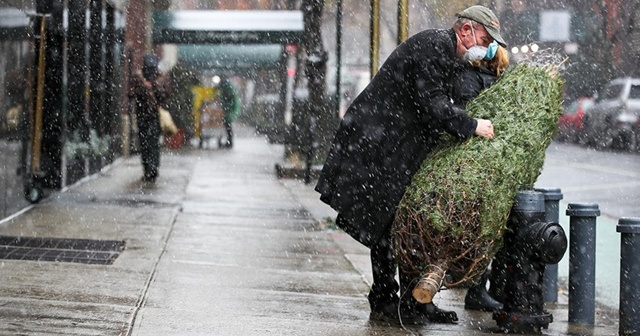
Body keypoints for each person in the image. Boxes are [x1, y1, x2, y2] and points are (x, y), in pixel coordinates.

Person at [314, 5, 507, 325]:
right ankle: (386, 300)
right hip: (376, 144)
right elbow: (433, 104)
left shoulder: (446, 52)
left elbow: (443, 102)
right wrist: (473, 126)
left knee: (403, 222)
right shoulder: (433, 47)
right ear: (466, 31)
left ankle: (415, 301)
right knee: (386, 223)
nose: (485, 46)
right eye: (484, 38)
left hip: (392, 143)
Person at [451, 45, 510, 312]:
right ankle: (475, 286)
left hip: (481, 157)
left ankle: (477, 285)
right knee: (478, 223)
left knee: (479, 224)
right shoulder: (473, 78)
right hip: (476, 158)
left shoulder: (484, 77)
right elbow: (471, 109)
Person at [131, 53, 171, 183]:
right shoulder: (138, 77)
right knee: (144, 143)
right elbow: (131, 94)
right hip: (142, 115)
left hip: (155, 115)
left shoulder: (161, 77)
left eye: (152, 67)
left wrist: (155, 86)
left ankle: (153, 168)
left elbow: (166, 95)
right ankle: (147, 168)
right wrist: (142, 86)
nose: (150, 70)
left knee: (153, 142)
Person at [217, 76, 241, 148]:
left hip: (229, 111)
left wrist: (224, 105)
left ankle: (229, 142)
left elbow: (229, 99)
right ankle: (229, 142)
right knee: (227, 126)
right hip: (229, 110)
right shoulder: (226, 87)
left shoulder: (227, 88)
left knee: (227, 126)